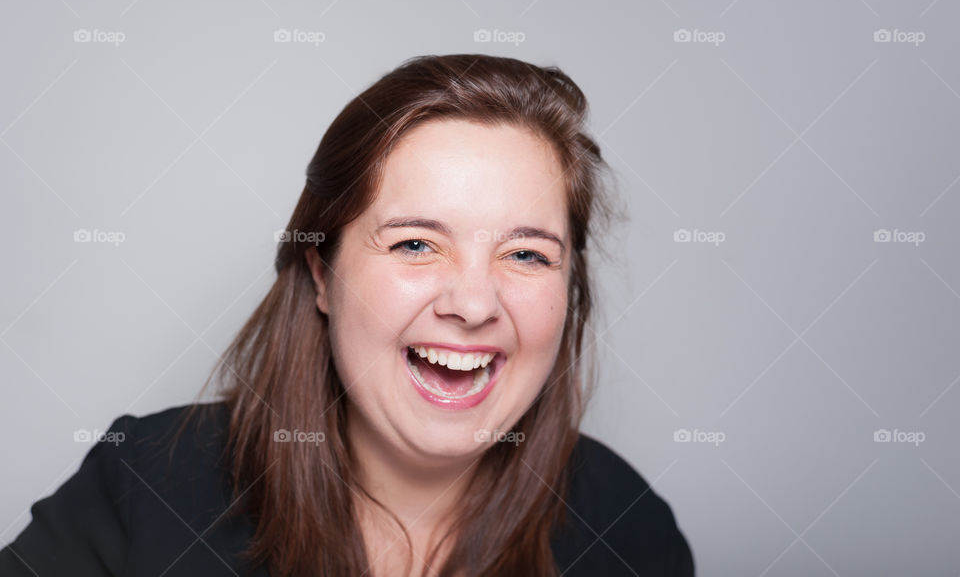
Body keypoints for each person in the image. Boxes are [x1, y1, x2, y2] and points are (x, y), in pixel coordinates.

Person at [0, 54, 694, 576]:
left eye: (527, 255)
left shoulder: (626, 528)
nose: (475, 304)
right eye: (416, 243)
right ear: (322, 275)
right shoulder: (147, 487)